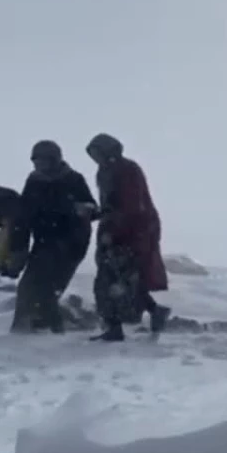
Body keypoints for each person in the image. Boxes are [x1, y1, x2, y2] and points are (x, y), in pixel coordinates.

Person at [85, 133, 170, 341]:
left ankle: (119, 325)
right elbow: (111, 206)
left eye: (98, 153)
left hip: (134, 232)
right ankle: (149, 313)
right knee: (118, 278)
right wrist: (94, 213)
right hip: (116, 230)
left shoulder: (128, 170)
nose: (95, 158)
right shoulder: (105, 171)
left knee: (118, 279)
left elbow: (131, 207)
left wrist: (114, 230)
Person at [9, 140, 98, 333]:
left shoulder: (73, 179)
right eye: (36, 160)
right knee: (27, 286)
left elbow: (92, 208)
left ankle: (52, 330)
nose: (39, 165)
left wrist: (81, 210)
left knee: (49, 288)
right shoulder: (34, 181)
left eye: (43, 160)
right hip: (43, 241)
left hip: (71, 242)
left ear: (54, 159)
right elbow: (25, 211)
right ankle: (24, 328)